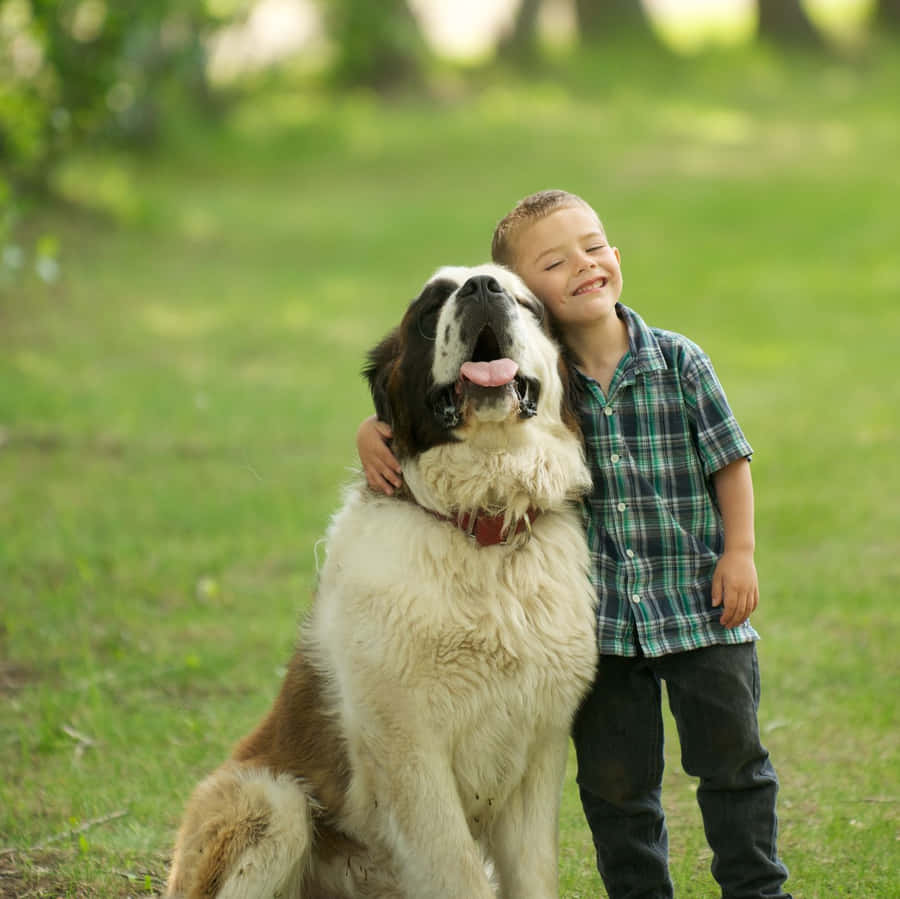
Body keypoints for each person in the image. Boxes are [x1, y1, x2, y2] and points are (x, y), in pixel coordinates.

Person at [357, 189, 791, 899]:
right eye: (556, 263)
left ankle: (757, 887)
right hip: (610, 628)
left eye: (594, 247)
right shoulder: (545, 380)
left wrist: (740, 552)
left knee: (734, 762)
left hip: (702, 607)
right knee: (618, 788)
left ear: (617, 257)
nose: (585, 266)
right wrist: (368, 428)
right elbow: (445, 394)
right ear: (532, 301)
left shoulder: (680, 362)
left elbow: (730, 458)